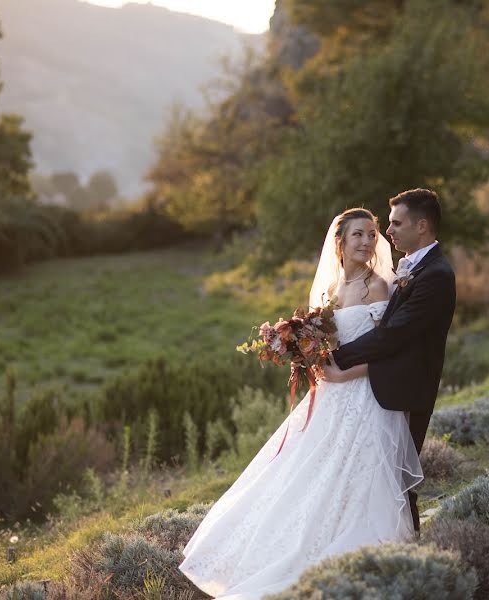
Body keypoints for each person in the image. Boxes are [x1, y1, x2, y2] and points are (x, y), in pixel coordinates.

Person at [179, 208, 423, 600]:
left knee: (362, 472)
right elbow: (327, 345)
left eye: (372, 234)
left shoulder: (379, 287)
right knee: (308, 471)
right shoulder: (329, 293)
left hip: (365, 395)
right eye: (358, 235)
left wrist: (345, 374)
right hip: (329, 396)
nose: (366, 242)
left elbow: (389, 350)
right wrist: (301, 350)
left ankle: (368, 560)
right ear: (339, 243)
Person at [325, 188, 457, 535]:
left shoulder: (436, 275)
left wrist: (333, 359)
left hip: (407, 391)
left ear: (422, 226)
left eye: (396, 224)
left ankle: (410, 554)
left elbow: (393, 335)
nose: (388, 232)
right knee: (380, 479)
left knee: (396, 482)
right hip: (384, 388)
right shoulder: (412, 267)